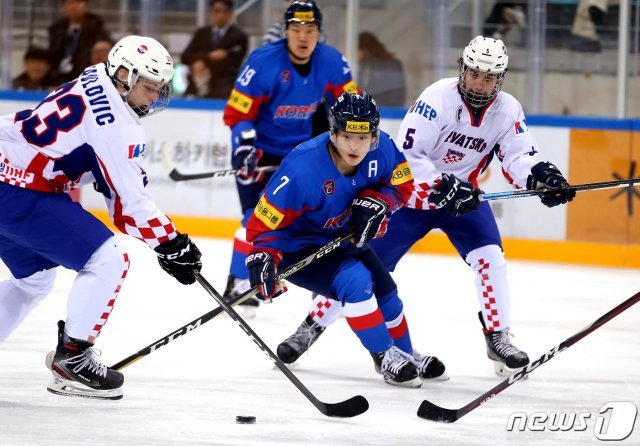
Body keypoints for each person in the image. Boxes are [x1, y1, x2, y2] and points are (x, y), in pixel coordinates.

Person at [277, 35, 576, 378]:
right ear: (463, 69)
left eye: (489, 77)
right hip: (414, 198)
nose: (480, 82)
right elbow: (409, 156)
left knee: (491, 257)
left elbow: (518, 154)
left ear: (501, 78)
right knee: (366, 267)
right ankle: (311, 326)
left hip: (464, 200)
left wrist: (538, 177)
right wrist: (441, 185)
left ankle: (498, 336)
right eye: (475, 73)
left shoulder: (508, 109)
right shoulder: (437, 98)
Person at [0, 35, 203, 400]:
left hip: (7, 171)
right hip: (19, 191)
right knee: (109, 259)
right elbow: (129, 208)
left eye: (160, 89)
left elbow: (87, 152)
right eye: (148, 88)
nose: (155, 97)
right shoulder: (117, 127)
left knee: (34, 280)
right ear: (123, 75)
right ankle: (74, 359)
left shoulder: (96, 74)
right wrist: (173, 243)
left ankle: (72, 357)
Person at [245, 92, 445, 387]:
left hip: (343, 238)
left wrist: (380, 201)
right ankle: (384, 356)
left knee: (388, 296)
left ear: (373, 135)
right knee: (356, 282)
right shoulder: (302, 169)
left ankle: (405, 351)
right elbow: (264, 225)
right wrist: (264, 255)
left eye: (363, 138)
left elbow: (402, 185)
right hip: (300, 248)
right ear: (334, 132)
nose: (355, 146)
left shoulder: (385, 149)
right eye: (348, 136)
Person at [222, 0, 358, 314]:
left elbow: (350, 106)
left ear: (319, 33)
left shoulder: (332, 61)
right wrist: (244, 146)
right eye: (296, 29)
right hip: (257, 151)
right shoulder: (263, 62)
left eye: (310, 29)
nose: (303, 36)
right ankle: (238, 282)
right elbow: (238, 113)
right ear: (285, 32)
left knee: (319, 216)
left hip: (298, 155)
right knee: (256, 219)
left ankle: (324, 277)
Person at [181, 0, 249, 99]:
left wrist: (207, 61)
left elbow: (236, 61)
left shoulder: (239, 36)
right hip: (196, 85)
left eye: (225, 11)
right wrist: (206, 58)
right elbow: (185, 57)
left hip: (224, 87)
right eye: (217, 11)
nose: (221, 14)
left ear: (230, 13)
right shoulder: (201, 33)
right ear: (211, 12)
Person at [48, 0, 112, 84]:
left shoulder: (96, 27)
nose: (74, 6)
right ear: (64, 5)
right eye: (70, 2)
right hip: (59, 78)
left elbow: (104, 49)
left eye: (79, 2)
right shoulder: (57, 28)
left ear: (86, 5)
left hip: (87, 77)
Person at [357, 31, 406, 107]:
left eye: (358, 50)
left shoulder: (388, 66)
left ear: (364, 49)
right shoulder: (365, 66)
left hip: (388, 112)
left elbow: (393, 94)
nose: (357, 55)